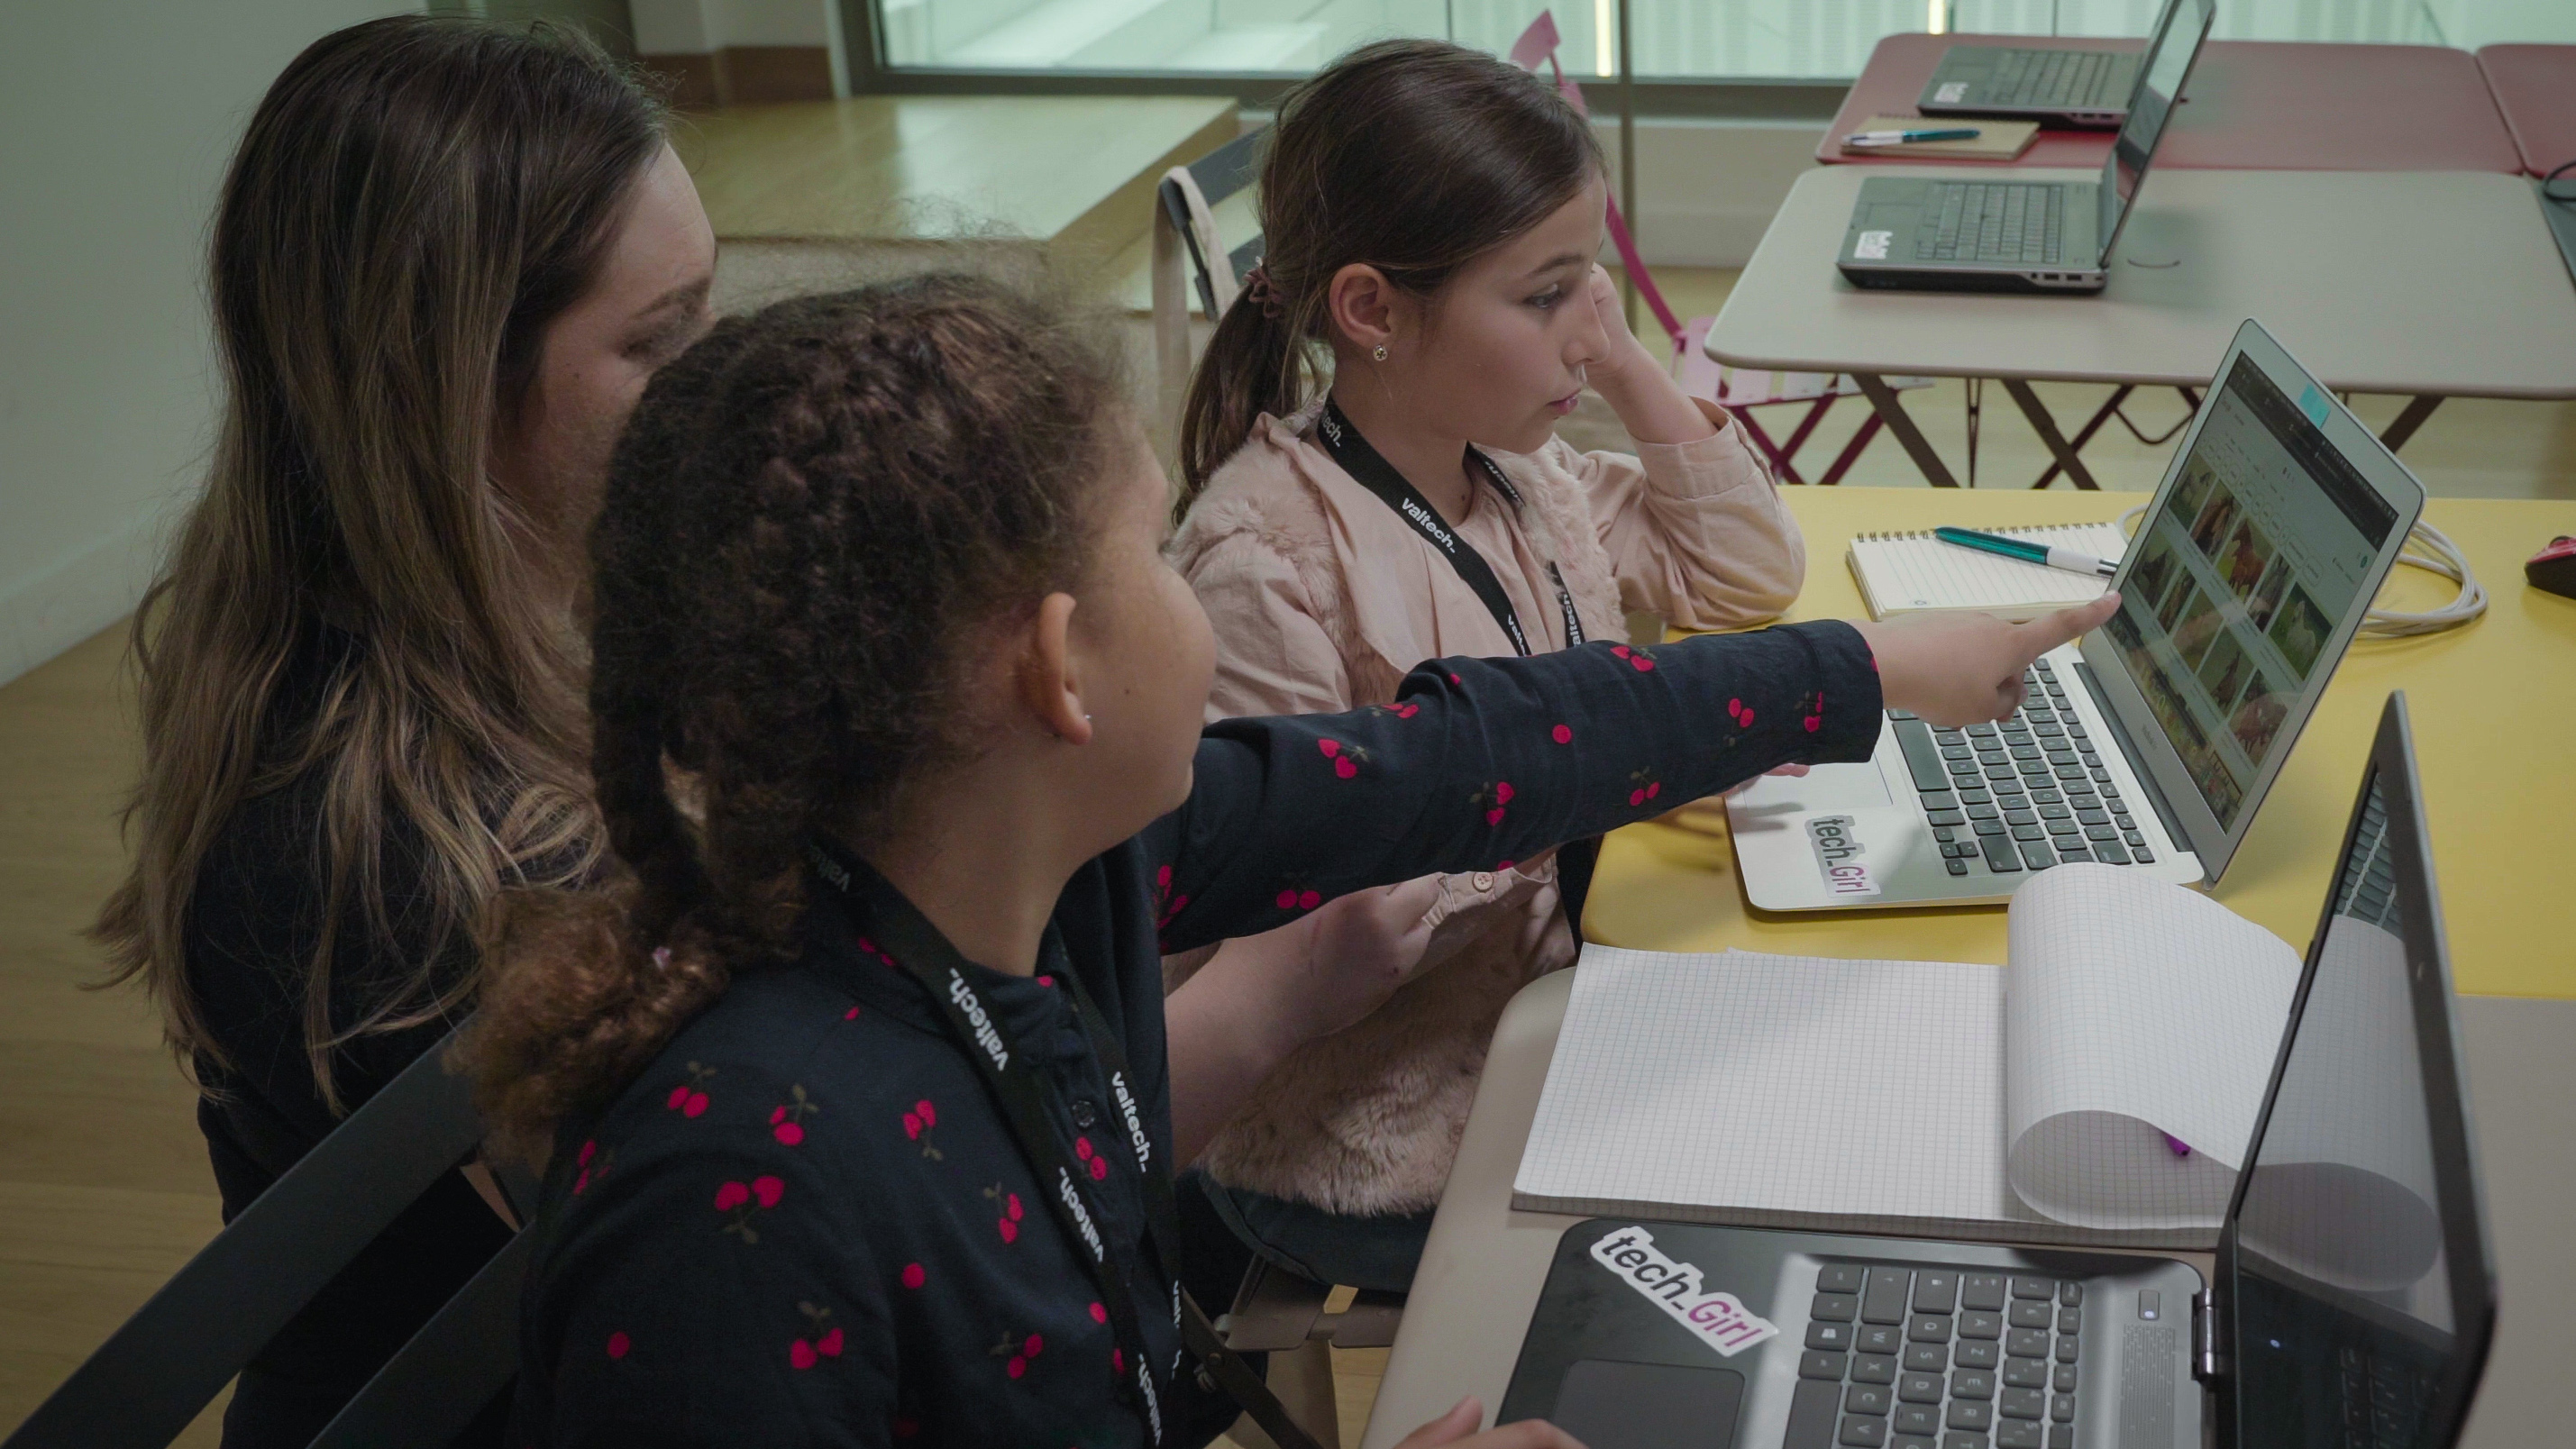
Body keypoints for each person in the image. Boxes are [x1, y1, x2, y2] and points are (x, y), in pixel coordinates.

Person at [461, 272, 2113, 1446]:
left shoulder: (1058, 864)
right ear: (1056, 670)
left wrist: (1868, 670)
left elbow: (1472, 754)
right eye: (1151, 550)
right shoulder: (742, 1200)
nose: (1200, 586)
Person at [90, 17, 716, 1444]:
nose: (713, 377)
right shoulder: (387, 841)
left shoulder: (512, 599)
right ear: (446, 390)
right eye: (658, 339)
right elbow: (718, 1275)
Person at [1162, 38, 1804, 1293]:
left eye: (1596, 282)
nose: (1586, 331)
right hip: (1376, 1121)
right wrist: (1615, 764)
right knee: (1776, 1172)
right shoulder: (1267, 564)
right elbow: (1308, 939)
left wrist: (1612, 356)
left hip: (1543, 997)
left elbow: (1745, 573)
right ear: (1370, 312)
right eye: (1543, 294)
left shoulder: (1510, 468)